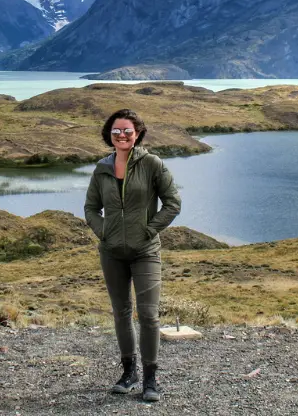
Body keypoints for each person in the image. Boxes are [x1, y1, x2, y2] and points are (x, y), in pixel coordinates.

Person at [84, 108, 182, 402]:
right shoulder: (102, 168)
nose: (122, 135)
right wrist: (105, 232)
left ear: (137, 133)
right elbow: (90, 208)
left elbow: (172, 203)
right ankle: (129, 373)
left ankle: (151, 379)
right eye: (116, 131)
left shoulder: (152, 164)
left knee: (149, 315)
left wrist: (149, 230)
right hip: (111, 252)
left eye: (127, 131)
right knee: (121, 313)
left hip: (145, 252)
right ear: (109, 135)